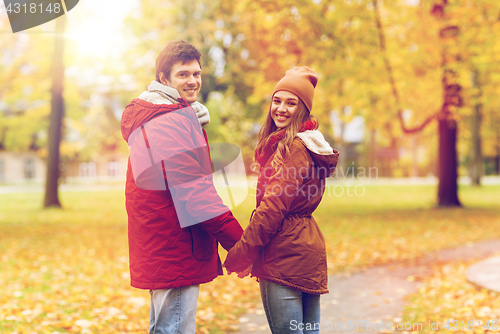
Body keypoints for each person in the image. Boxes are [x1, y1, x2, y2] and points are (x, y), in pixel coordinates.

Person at [120, 40, 243, 334]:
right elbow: (196, 195)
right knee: (173, 328)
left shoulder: (167, 115)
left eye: (196, 74)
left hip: (167, 241)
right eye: (183, 74)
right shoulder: (167, 122)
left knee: (165, 327)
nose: (193, 81)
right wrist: (240, 243)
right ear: (164, 79)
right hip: (174, 244)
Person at [224, 67, 339, 334]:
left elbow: (271, 210)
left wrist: (242, 254)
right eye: (277, 101)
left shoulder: (295, 148)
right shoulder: (306, 145)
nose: (282, 109)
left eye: (291, 103)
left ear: (303, 110)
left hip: (284, 256)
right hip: (305, 251)